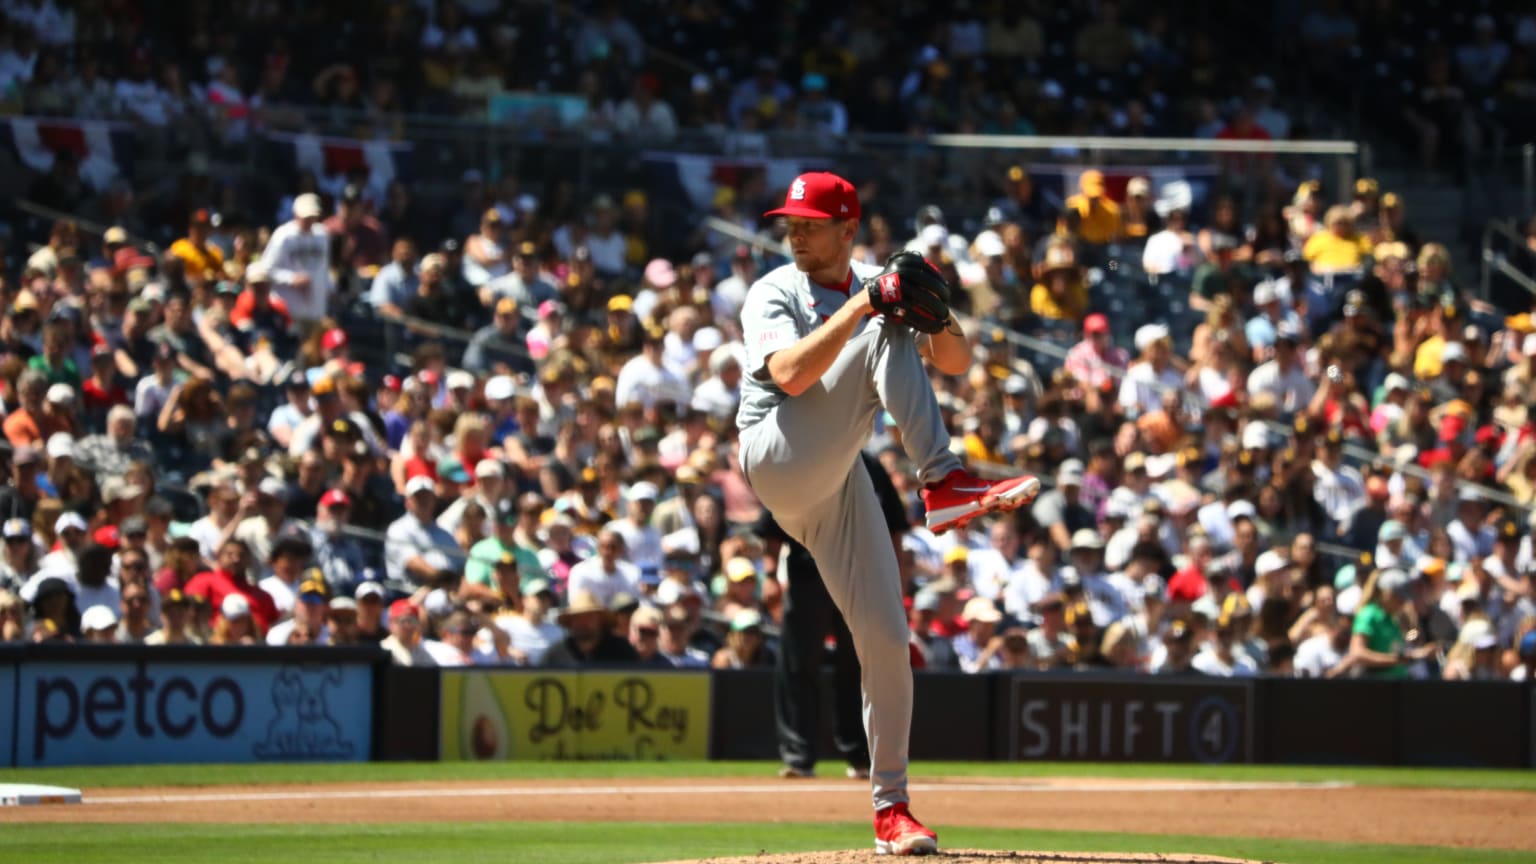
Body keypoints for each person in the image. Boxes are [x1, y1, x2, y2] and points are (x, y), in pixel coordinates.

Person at [736, 172, 1042, 856]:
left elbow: (956, 363)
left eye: (810, 221)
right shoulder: (775, 289)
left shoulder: (880, 279)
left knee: (885, 638)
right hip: (777, 450)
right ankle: (943, 480)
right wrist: (873, 304)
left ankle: (892, 809)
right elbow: (787, 375)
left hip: (838, 480)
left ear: (848, 229)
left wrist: (940, 310)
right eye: (791, 220)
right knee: (880, 324)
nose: (794, 231)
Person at [767, 450, 904, 781]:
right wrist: (770, 575)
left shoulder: (871, 467)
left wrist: (895, 581)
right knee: (799, 663)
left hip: (860, 574)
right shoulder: (804, 456)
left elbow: (895, 527)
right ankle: (798, 757)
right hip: (808, 574)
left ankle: (859, 755)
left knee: (858, 666)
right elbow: (772, 525)